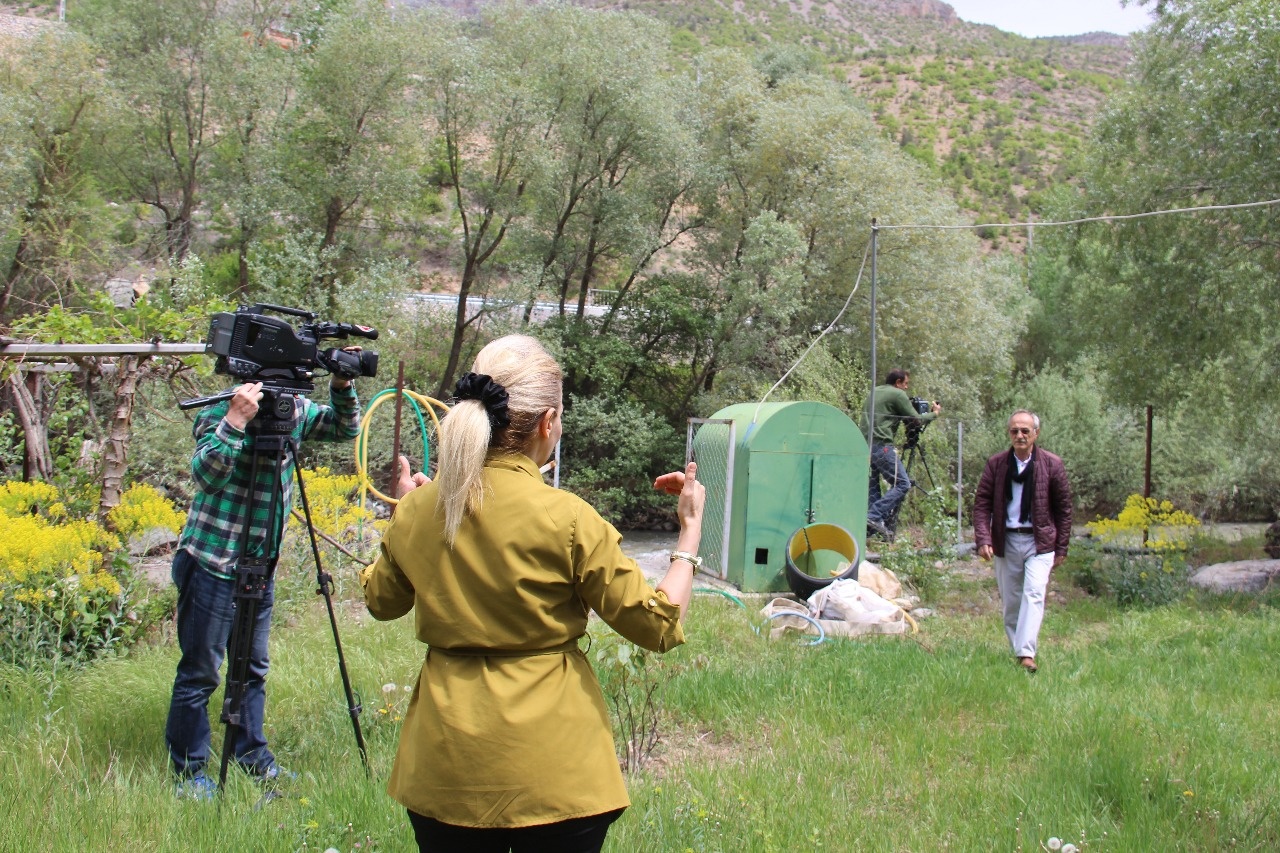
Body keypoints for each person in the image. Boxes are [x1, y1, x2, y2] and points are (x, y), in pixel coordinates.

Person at [361, 334, 706, 853]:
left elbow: (381, 602)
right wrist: (689, 533)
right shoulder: (567, 518)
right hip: (556, 775)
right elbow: (657, 625)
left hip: (444, 771)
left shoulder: (417, 509)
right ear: (548, 423)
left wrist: (405, 519)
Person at [165, 374, 362, 798]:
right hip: (212, 562)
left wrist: (342, 384)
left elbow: (345, 428)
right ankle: (188, 773)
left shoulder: (292, 411)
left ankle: (250, 756)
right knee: (200, 673)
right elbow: (206, 476)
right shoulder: (222, 409)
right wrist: (236, 421)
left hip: (259, 566)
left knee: (251, 669)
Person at [972, 409, 1072, 674]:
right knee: (1012, 602)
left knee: (1034, 593)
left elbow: (1064, 508)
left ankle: (1026, 653)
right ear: (1009, 433)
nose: (1019, 435)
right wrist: (983, 537)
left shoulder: (1052, 464)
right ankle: (1019, 650)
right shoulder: (997, 464)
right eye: (1014, 430)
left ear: (1036, 434)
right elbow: (982, 503)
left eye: (1025, 431)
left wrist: (1061, 546)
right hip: (1006, 540)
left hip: (1039, 542)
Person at [865, 368, 940, 540]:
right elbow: (917, 419)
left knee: (873, 485)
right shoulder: (897, 395)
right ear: (898, 382)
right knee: (903, 484)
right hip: (882, 445)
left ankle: (873, 529)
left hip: (865, 445)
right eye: (905, 384)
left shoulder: (874, 392)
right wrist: (934, 413)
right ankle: (872, 516)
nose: (906, 388)